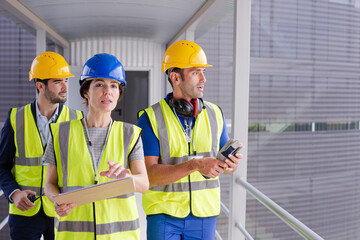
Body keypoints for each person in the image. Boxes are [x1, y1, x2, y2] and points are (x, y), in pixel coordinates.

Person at [137, 40, 242, 240]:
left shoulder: (215, 113)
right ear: (175, 77)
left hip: (205, 215)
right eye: (196, 72)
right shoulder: (150, 118)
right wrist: (195, 165)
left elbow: (227, 167)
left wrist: (230, 165)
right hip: (164, 215)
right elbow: (149, 175)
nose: (203, 78)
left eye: (203, 71)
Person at [44, 53, 149, 240]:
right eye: (99, 85)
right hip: (73, 236)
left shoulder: (130, 134)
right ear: (86, 91)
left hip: (119, 236)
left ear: (119, 93)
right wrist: (56, 200)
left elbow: (143, 184)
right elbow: (49, 184)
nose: (107, 91)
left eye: (114, 86)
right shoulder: (61, 133)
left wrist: (128, 177)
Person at [0, 51, 83, 240]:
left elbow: (81, 168)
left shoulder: (76, 119)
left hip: (62, 211)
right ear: (40, 85)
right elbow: (2, 166)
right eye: (57, 82)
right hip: (24, 212)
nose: (65, 87)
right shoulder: (15, 118)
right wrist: (14, 194)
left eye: (66, 81)